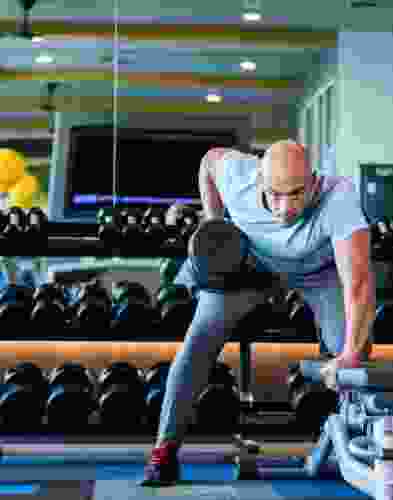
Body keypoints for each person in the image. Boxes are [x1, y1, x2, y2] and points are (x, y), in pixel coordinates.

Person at [141, 139, 376, 486]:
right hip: (250, 263)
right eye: (275, 195)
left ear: (313, 181)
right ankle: (164, 451)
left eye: (297, 193)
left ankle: (359, 444)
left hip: (317, 268)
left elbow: (358, 282)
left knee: (353, 344)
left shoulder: (339, 197)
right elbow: (209, 161)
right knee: (200, 338)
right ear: (260, 183)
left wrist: (351, 354)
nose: (285, 208)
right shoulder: (239, 177)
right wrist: (215, 224)